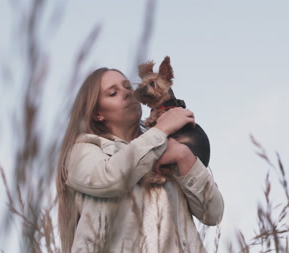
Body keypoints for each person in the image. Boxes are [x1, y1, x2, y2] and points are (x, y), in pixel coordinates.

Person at [56, 68, 224, 253]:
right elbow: (110, 178)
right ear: (97, 114)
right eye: (113, 93)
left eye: (128, 87)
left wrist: (184, 155)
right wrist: (161, 129)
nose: (127, 93)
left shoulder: (167, 147)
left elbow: (213, 214)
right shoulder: (84, 150)